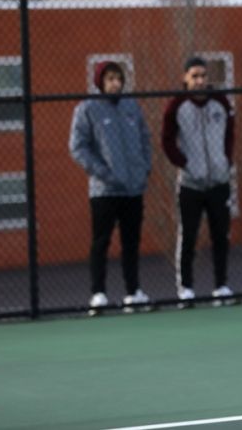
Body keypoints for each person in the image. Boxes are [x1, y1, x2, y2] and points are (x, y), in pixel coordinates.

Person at [69, 60, 153, 314]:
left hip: (133, 189)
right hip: (104, 192)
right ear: (101, 83)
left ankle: (133, 292)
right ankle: (98, 294)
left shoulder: (131, 107)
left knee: (131, 242)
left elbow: (145, 139)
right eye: (110, 79)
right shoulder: (87, 109)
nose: (115, 83)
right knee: (101, 241)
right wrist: (103, 173)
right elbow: (78, 147)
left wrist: (143, 169)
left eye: (118, 78)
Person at [161, 56, 235, 307]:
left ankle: (222, 287)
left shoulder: (222, 102)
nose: (200, 80)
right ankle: (186, 290)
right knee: (188, 236)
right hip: (191, 184)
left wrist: (224, 161)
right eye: (194, 76)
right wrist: (185, 164)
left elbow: (229, 135)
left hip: (219, 181)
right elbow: (167, 141)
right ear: (185, 78)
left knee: (221, 235)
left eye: (203, 75)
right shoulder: (176, 105)